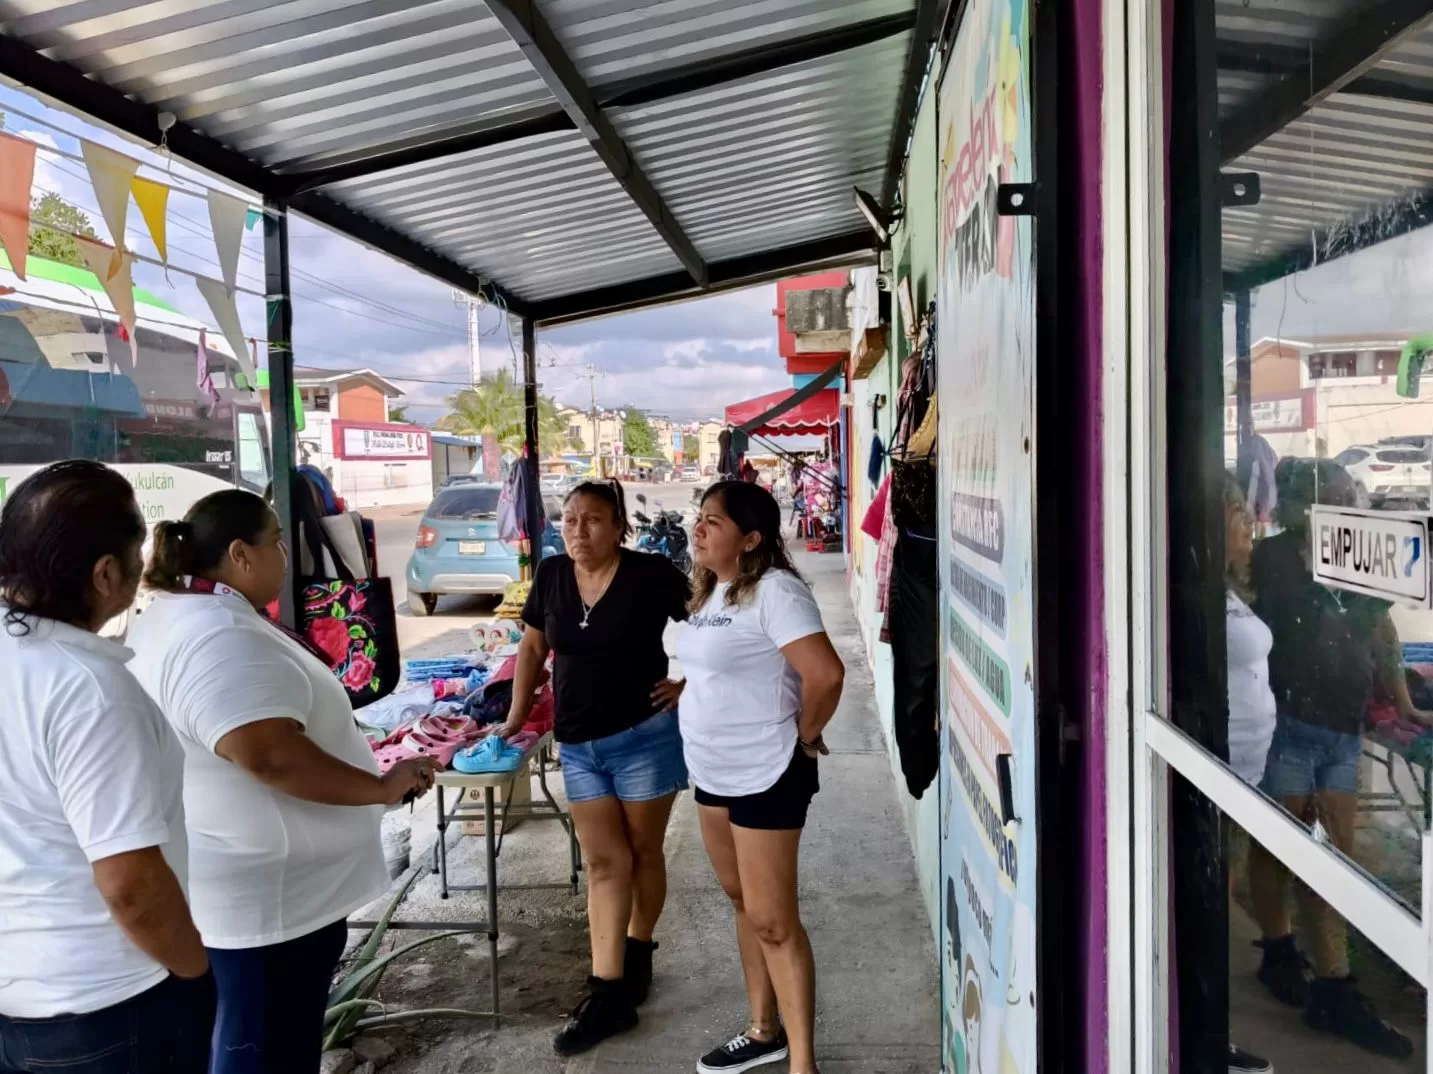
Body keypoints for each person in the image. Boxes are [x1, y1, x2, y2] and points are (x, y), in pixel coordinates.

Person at [127, 490, 435, 1074]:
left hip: (261, 893)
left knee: (262, 1043)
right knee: (263, 1049)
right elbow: (268, 754)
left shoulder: (187, 614)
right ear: (240, 554)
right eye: (277, 543)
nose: (287, 557)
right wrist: (381, 787)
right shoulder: (217, 635)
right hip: (267, 908)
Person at [0, 461, 214, 1073]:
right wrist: (195, 971)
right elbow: (132, 885)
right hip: (108, 1007)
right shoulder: (89, 690)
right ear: (105, 574)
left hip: (20, 998)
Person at [500, 479, 691, 1056]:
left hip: (644, 738)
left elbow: (714, 620)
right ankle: (607, 993)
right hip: (578, 744)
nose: (578, 530)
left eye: (593, 520)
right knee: (606, 863)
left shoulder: (652, 575)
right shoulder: (553, 576)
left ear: (618, 527)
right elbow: (533, 649)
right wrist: (514, 719)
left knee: (643, 852)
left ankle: (639, 952)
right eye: (571, 519)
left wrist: (691, 682)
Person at [1247, 458, 1425, 1058]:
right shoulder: (1268, 560)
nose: (1344, 505)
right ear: (1302, 504)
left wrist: (1403, 702)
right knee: (1279, 849)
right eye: (1332, 497)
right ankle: (1280, 951)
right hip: (1288, 725)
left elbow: (1382, 631)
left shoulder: (1354, 559)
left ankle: (1331, 984)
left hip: (1341, 730)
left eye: (1349, 497)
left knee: (1336, 863)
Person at [673, 481, 845, 1074]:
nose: (698, 529)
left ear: (750, 539)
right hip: (713, 771)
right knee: (744, 904)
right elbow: (725, 667)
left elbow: (824, 675)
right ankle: (762, 1030)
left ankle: (803, 1064)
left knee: (773, 920)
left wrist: (803, 736)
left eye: (712, 522)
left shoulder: (776, 592)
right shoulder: (715, 593)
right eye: (700, 518)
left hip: (767, 771)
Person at [1223, 473, 1275, 1074]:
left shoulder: (1233, 591)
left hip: (1243, 773)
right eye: (1237, 511)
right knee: (1215, 903)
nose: (1250, 523)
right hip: (1219, 771)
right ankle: (1209, 1031)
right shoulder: (1196, 589)